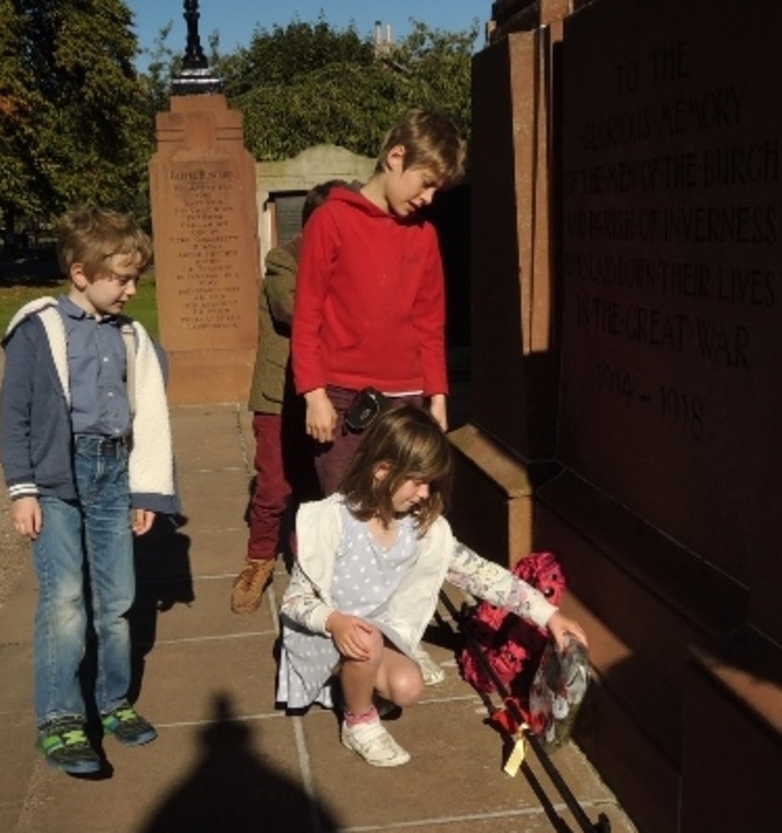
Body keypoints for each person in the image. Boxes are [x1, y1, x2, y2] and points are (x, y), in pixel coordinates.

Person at [276, 405, 588, 767]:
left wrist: (547, 615)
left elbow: (482, 575)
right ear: (381, 471)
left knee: (408, 687)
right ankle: (358, 721)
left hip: (372, 633)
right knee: (366, 640)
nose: (425, 493)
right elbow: (294, 601)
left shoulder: (420, 529)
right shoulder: (334, 521)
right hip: (323, 634)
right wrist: (334, 621)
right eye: (418, 480)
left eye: (431, 483)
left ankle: (353, 684)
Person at [0, 206, 179, 775]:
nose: (131, 289)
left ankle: (113, 701)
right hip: (54, 479)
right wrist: (21, 489)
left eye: (135, 279)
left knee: (119, 601)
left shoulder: (131, 337)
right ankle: (59, 719)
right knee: (65, 600)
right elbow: (15, 416)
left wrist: (147, 491)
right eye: (121, 278)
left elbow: (148, 411)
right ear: (81, 273)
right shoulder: (39, 330)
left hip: (112, 477)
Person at [291, 108, 467, 497]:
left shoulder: (424, 236)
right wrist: (314, 394)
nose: (429, 198)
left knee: (405, 514)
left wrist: (437, 398)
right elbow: (307, 316)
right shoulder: (330, 220)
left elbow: (429, 324)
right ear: (395, 156)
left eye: (437, 189)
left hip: (408, 400)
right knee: (348, 513)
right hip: (341, 397)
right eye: (425, 183)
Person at [232, 181, 346, 614]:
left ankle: (310, 565)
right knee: (274, 487)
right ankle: (258, 560)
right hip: (279, 397)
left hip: (329, 394)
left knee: (318, 486)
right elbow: (293, 309)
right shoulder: (284, 259)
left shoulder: (346, 258)